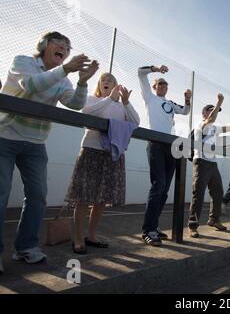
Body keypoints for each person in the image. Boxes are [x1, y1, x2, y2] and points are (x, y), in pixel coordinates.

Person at [0, 32, 98, 271]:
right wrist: (66, 70)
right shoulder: (23, 61)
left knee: (37, 196)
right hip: (4, 136)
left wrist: (83, 82)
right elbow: (30, 85)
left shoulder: (63, 79)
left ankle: (25, 248)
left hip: (36, 144)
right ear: (43, 45)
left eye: (67, 46)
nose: (64, 49)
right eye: (59, 44)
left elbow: (74, 104)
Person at [65, 73, 140, 254]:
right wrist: (109, 99)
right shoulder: (93, 99)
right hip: (91, 151)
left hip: (111, 154)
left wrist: (126, 102)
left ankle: (91, 236)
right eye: (103, 80)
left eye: (110, 80)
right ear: (99, 84)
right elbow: (87, 112)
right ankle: (77, 238)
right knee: (83, 197)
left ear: (116, 84)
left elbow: (136, 122)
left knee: (101, 199)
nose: (106, 82)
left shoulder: (122, 106)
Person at [138, 64, 192, 246]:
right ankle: (148, 229)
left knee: (165, 190)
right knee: (158, 185)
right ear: (154, 87)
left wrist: (187, 100)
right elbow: (140, 72)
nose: (162, 86)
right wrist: (156, 69)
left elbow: (185, 111)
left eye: (165, 85)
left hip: (170, 146)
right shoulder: (149, 98)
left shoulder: (169, 104)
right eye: (159, 84)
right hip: (155, 144)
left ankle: (154, 226)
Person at [188, 94, 230, 238]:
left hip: (213, 163)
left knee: (218, 193)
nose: (214, 113)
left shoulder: (215, 128)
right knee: (198, 195)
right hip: (201, 162)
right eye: (211, 110)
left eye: (215, 110)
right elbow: (211, 119)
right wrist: (219, 102)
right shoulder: (200, 125)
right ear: (204, 113)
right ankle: (193, 226)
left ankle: (214, 220)